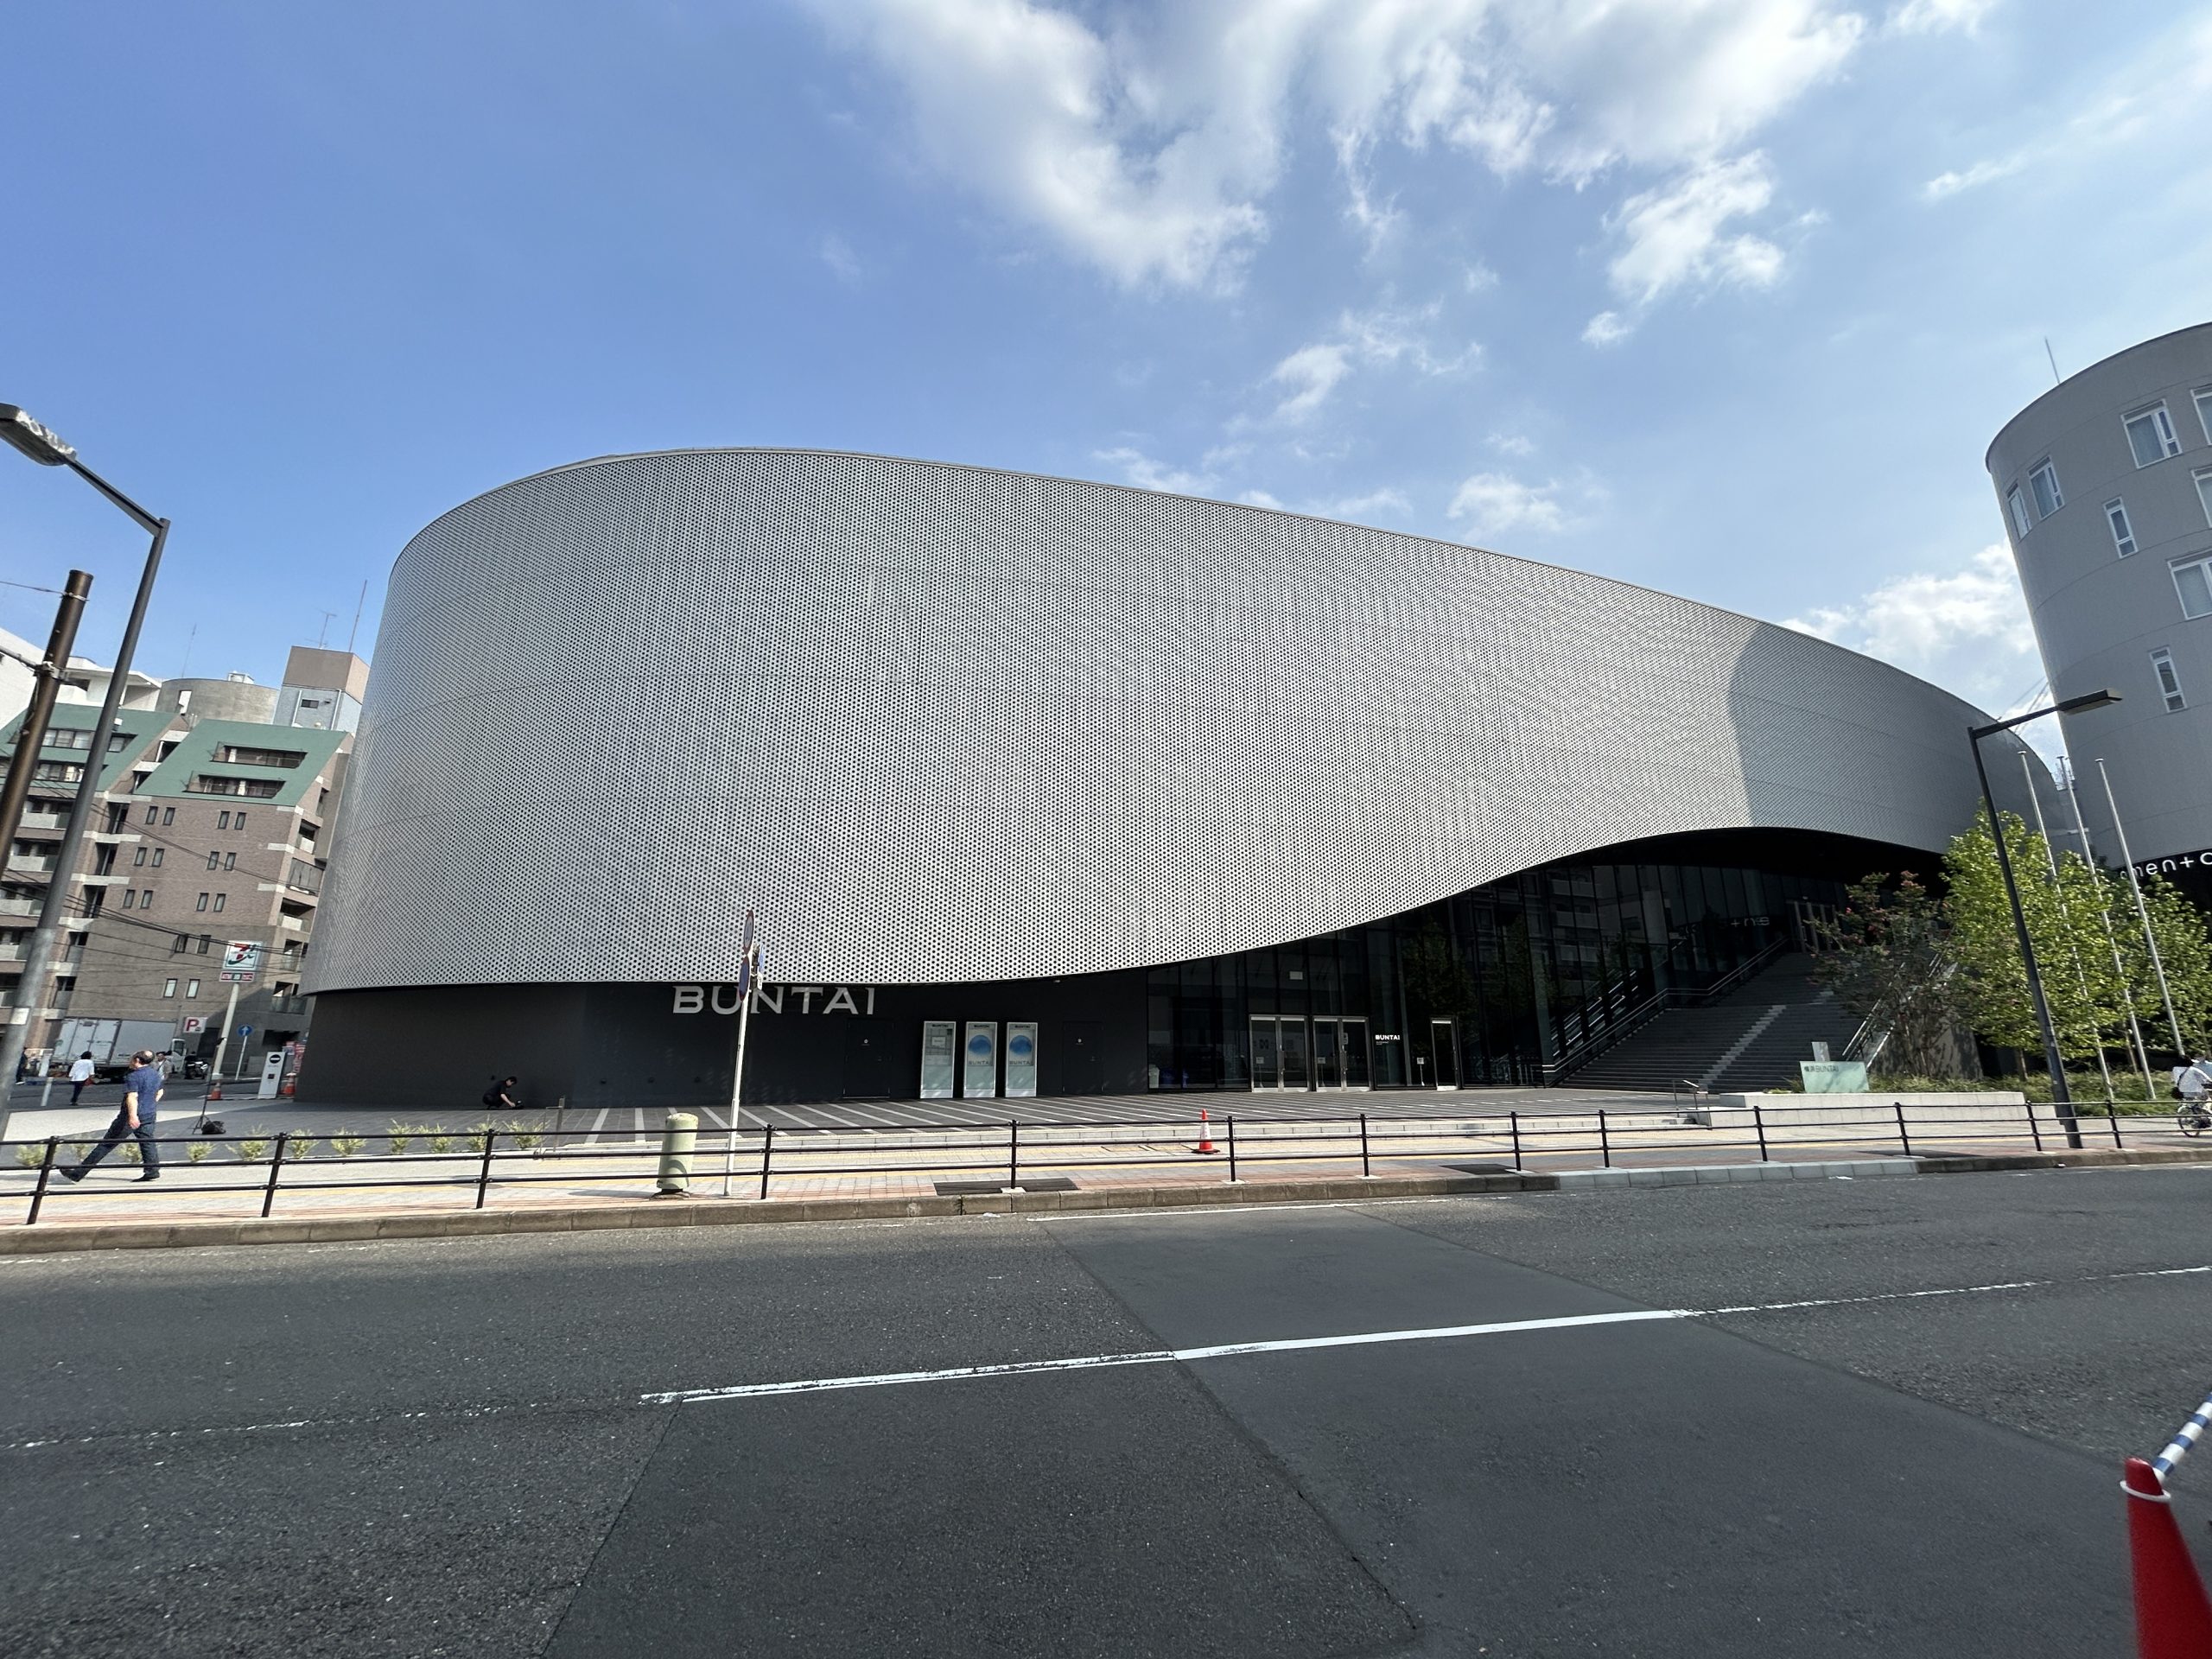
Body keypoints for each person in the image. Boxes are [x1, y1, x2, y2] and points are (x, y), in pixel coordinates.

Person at [62, 1050, 164, 1183]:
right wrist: (150, 1103)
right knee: (147, 1142)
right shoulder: (155, 1074)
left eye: (132, 1058)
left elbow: (132, 1097)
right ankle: (152, 1171)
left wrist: (133, 1116)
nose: (130, 1061)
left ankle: (77, 1174)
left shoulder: (133, 1076)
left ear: (137, 1060)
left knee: (107, 1144)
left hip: (130, 1116)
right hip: (149, 1113)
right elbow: (160, 1092)